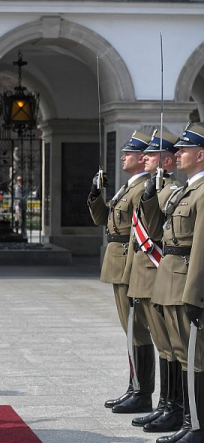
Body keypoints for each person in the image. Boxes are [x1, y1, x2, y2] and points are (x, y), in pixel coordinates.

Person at [142, 123, 204, 443]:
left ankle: (197, 425)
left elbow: (201, 248)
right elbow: (159, 230)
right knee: (182, 355)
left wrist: (194, 294)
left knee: (195, 358)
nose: (177, 154)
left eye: (184, 149)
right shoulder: (185, 191)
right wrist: (151, 197)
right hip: (169, 279)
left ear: (201, 154)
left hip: (184, 283)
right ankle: (186, 420)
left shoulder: (203, 192)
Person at [88, 131, 153, 413]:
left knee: (136, 330)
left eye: (129, 153)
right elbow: (104, 219)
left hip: (126, 263)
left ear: (141, 159)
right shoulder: (128, 187)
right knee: (129, 330)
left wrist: (130, 271)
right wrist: (95, 194)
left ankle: (141, 391)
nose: (123, 156)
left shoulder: (140, 189)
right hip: (116, 261)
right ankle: (134, 387)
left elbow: (135, 235)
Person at [126, 131, 184, 433]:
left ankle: (175, 407)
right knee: (164, 345)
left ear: (166, 160)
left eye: (151, 154)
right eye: (144, 153)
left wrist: (152, 192)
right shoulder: (155, 188)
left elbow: (154, 229)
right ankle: (165, 404)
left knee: (173, 346)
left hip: (160, 272)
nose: (144, 158)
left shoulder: (172, 190)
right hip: (148, 273)